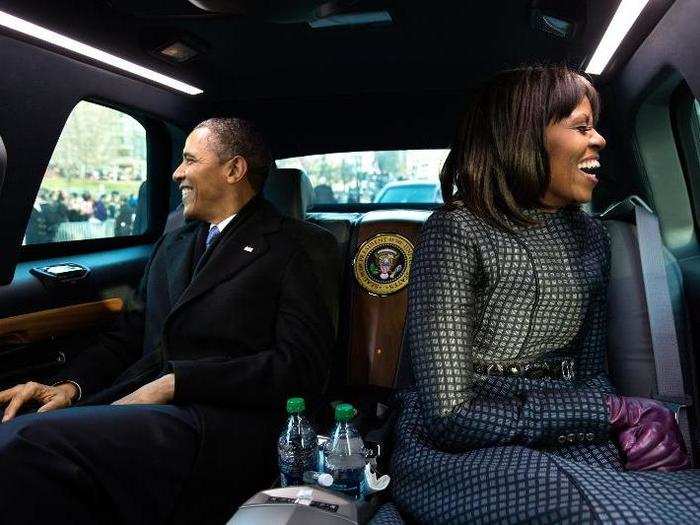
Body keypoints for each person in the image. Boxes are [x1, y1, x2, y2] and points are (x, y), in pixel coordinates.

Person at [370, 66, 700, 524]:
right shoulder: (455, 229)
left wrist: (627, 422)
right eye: (582, 127)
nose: (600, 140)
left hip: (571, 432)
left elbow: (590, 374)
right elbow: (449, 414)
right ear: (523, 139)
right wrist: (606, 411)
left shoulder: (590, 236)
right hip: (459, 447)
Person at [0, 117, 334, 524]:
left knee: (24, 443)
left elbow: (300, 368)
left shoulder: (295, 247)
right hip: (144, 409)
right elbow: (126, 338)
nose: (177, 173)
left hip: (220, 425)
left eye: (190, 160)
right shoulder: (174, 242)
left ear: (233, 170)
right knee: (17, 423)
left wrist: (178, 382)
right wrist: (69, 387)